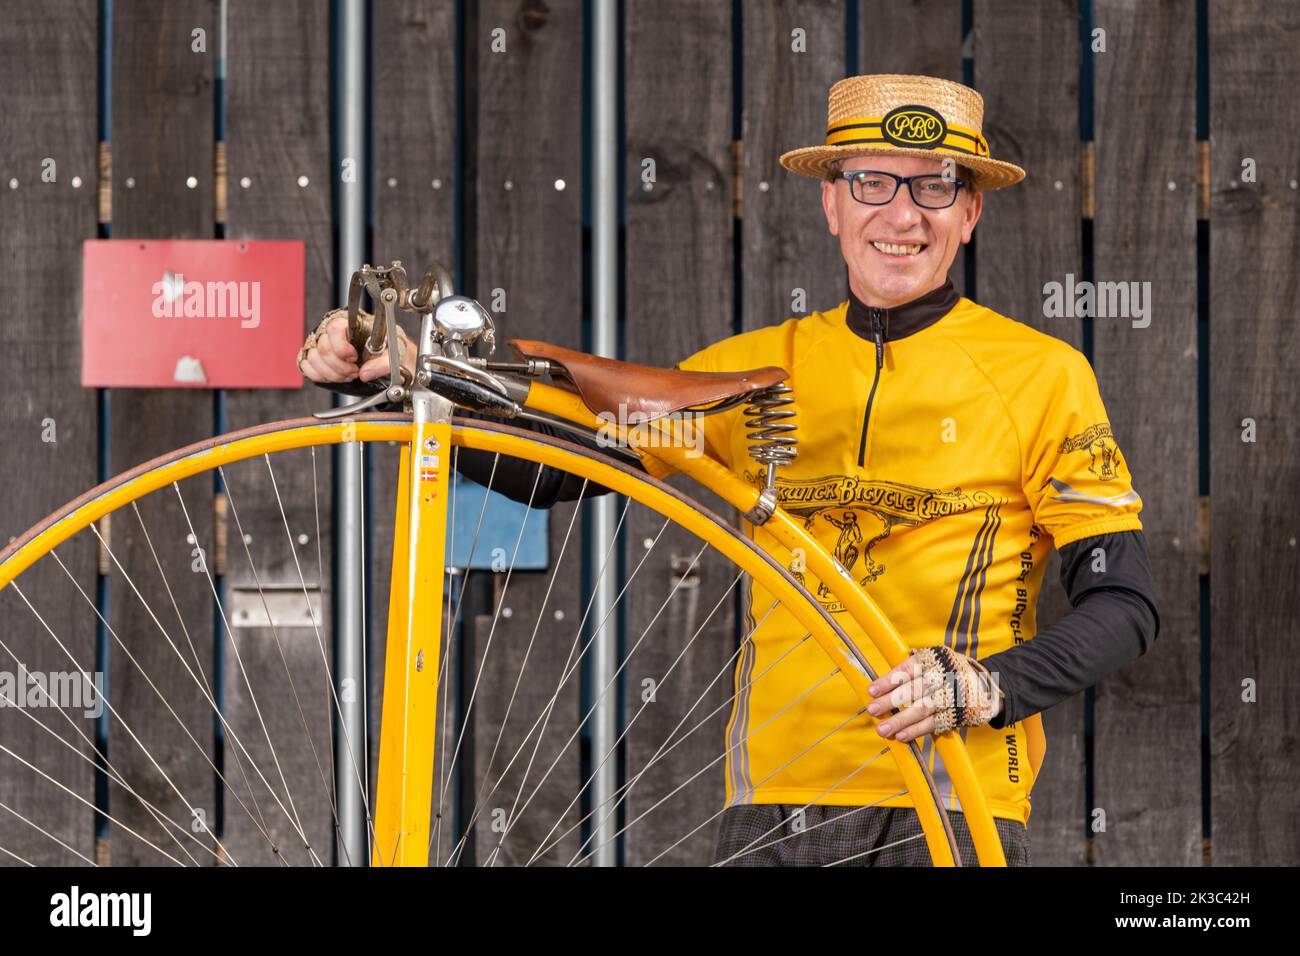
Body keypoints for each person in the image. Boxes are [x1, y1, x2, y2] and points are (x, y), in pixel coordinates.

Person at [299, 73, 1160, 867]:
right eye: (872, 182)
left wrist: (986, 687)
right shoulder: (750, 373)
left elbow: (1124, 606)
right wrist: (390, 380)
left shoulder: (1042, 377)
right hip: (769, 808)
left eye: (935, 185)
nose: (902, 214)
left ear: (969, 212)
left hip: (949, 805)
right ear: (831, 202)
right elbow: (553, 472)